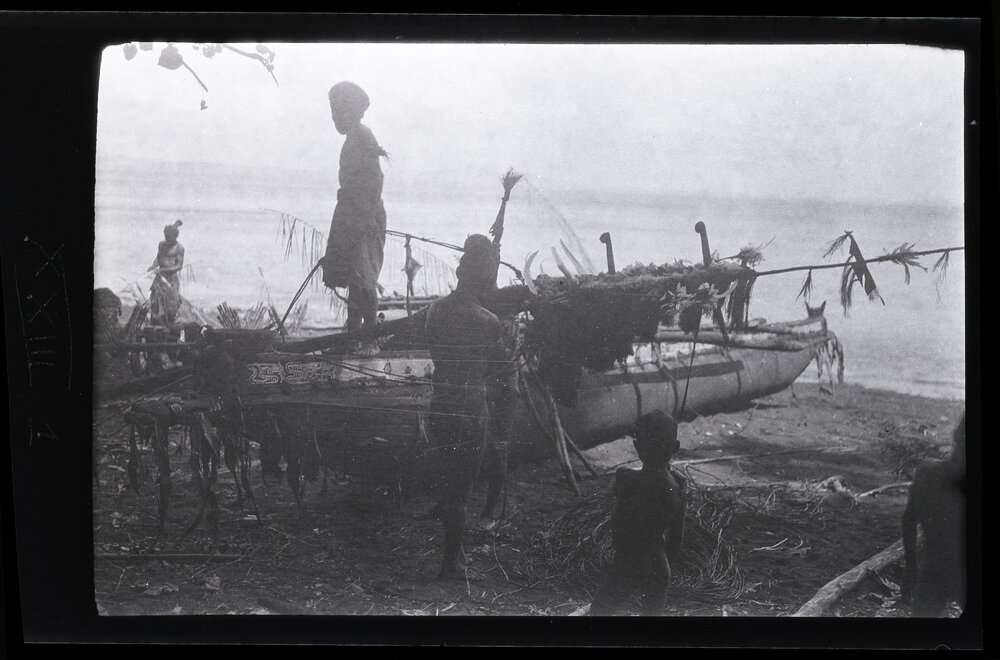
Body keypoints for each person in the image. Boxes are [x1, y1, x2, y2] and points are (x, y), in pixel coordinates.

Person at [424, 234, 515, 579]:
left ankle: (456, 554)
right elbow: (499, 370)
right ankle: (451, 565)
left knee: (449, 484)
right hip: (471, 410)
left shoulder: (435, 310)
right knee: (461, 490)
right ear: (484, 278)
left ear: (460, 270)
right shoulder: (488, 322)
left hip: (441, 405)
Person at [589, 410, 686, 616]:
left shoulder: (625, 478)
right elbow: (676, 538)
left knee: (601, 608)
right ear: (675, 447)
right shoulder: (678, 487)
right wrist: (665, 562)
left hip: (629, 562)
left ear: (636, 446)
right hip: (660, 565)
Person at [322, 81, 388, 357]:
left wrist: (367, 218)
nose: (335, 118)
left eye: (339, 112)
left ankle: (370, 338)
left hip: (364, 216)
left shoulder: (363, 136)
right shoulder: (352, 139)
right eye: (333, 112)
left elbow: (375, 179)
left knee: (365, 278)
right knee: (352, 276)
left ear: (353, 112)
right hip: (349, 214)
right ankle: (353, 333)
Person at [901, 413, 966, 617]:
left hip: (932, 570)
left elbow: (908, 520)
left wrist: (911, 567)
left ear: (955, 435)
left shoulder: (926, 471)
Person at [148, 219, 185, 327]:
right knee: (155, 301)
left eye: (168, 237)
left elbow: (179, 266)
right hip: (160, 278)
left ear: (175, 237)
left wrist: (163, 270)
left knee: (171, 305)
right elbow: (158, 258)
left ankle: (169, 327)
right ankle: (155, 325)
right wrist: (153, 266)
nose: (166, 239)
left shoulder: (179, 248)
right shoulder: (162, 245)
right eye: (165, 236)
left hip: (171, 280)